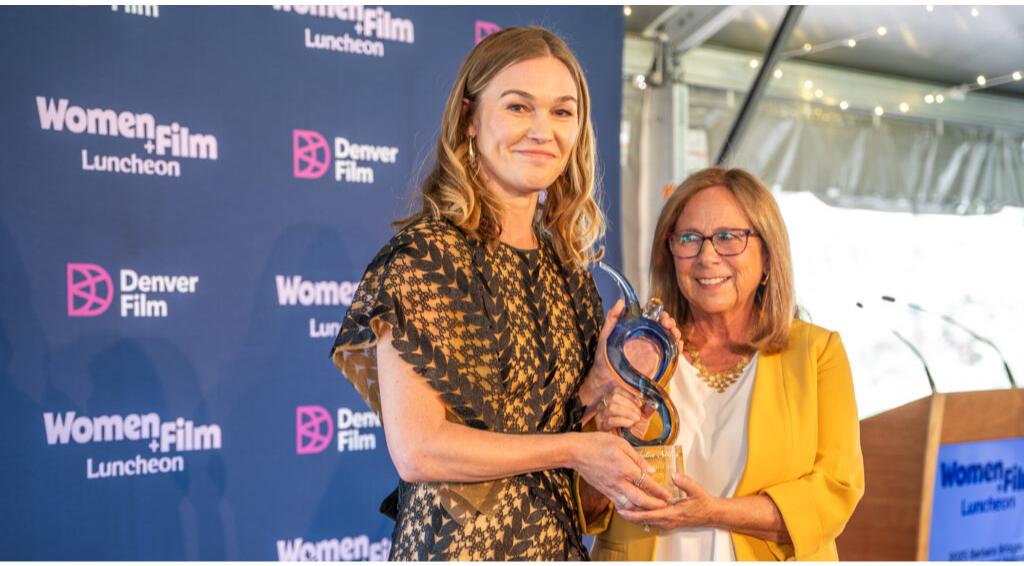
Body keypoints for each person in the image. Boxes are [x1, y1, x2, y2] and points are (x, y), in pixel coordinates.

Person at [330, 27, 677, 560]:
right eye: (519, 107)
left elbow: (549, 434)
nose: (542, 130)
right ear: (469, 118)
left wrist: (602, 387)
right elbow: (420, 450)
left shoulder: (569, 273)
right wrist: (577, 448)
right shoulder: (426, 258)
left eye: (562, 112)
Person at [580, 167, 864, 561]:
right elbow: (586, 508)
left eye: (728, 237)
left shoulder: (817, 353)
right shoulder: (635, 351)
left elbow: (834, 493)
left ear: (768, 256)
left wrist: (713, 512)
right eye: (689, 239)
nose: (707, 257)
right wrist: (605, 430)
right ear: (670, 253)